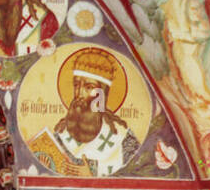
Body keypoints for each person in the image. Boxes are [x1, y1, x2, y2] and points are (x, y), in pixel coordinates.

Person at [28, 48, 139, 176]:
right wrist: (46, 168)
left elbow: (135, 179)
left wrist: (92, 175)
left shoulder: (125, 141)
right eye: (76, 85)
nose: (79, 94)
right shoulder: (60, 138)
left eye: (89, 87)